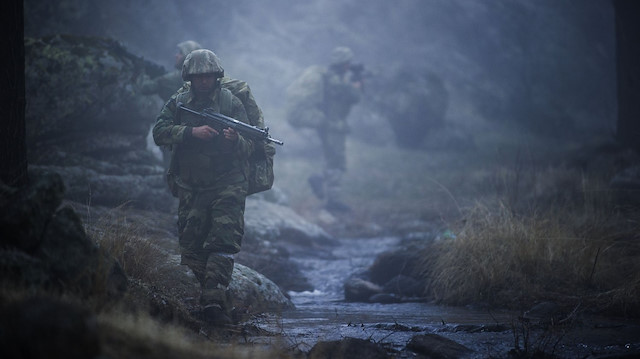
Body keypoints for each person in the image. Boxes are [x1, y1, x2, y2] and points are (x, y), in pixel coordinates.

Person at [152, 49, 255, 325]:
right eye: (198, 77)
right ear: (189, 77)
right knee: (193, 249)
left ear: (216, 76)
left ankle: (211, 302)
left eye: (208, 76)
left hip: (228, 183)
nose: (204, 81)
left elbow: (251, 145)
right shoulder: (179, 101)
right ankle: (220, 299)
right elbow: (159, 132)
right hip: (192, 184)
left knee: (222, 241)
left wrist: (235, 140)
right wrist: (190, 132)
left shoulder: (230, 102)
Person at [285, 46, 364, 212]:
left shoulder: (330, 77)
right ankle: (328, 194)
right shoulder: (335, 80)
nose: (349, 66)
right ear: (343, 64)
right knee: (336, 162)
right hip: (332, 125)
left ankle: (331, 197)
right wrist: (357, 85)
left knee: (332, 160)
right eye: (347, 63)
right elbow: (353, 97)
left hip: (327, 124)